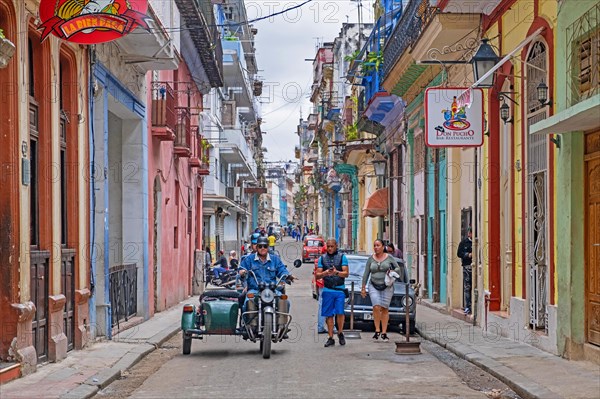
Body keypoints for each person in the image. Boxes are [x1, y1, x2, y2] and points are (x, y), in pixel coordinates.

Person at [361, 239, 400, 342]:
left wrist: (392, 271)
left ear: (383, 247)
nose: (376, 247)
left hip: (387, 286)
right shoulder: (371, 259)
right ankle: (377, 329)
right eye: (374, 245)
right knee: (376, 306)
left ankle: (384, 332)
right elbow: (366, 273)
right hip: (373, 285)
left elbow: (398, 269)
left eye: (378, 245)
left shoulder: (389, 258)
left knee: (385, 308)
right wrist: (363, 287)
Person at [315, 239, 349, 347]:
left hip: (339, 289)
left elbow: (346, 273)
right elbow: (317, 275)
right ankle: (330, 337)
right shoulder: (322, 258)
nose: (330, 248)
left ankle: (340, 332)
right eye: (328, 246)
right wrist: (325, 273)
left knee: (340, 313)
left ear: (336, 246)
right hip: (327, 289)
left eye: (332, 246)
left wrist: (336, 272)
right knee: (328, 314)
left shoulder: (342, 257)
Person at [457, 228, 473, 314]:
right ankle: (468, 306)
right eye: (471, 233)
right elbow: (459, 254)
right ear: (469, 234)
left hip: (474, 267)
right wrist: (467, 255)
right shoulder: (463, 243)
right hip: (467, 267)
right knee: (467, 287)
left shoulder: (476, 243)